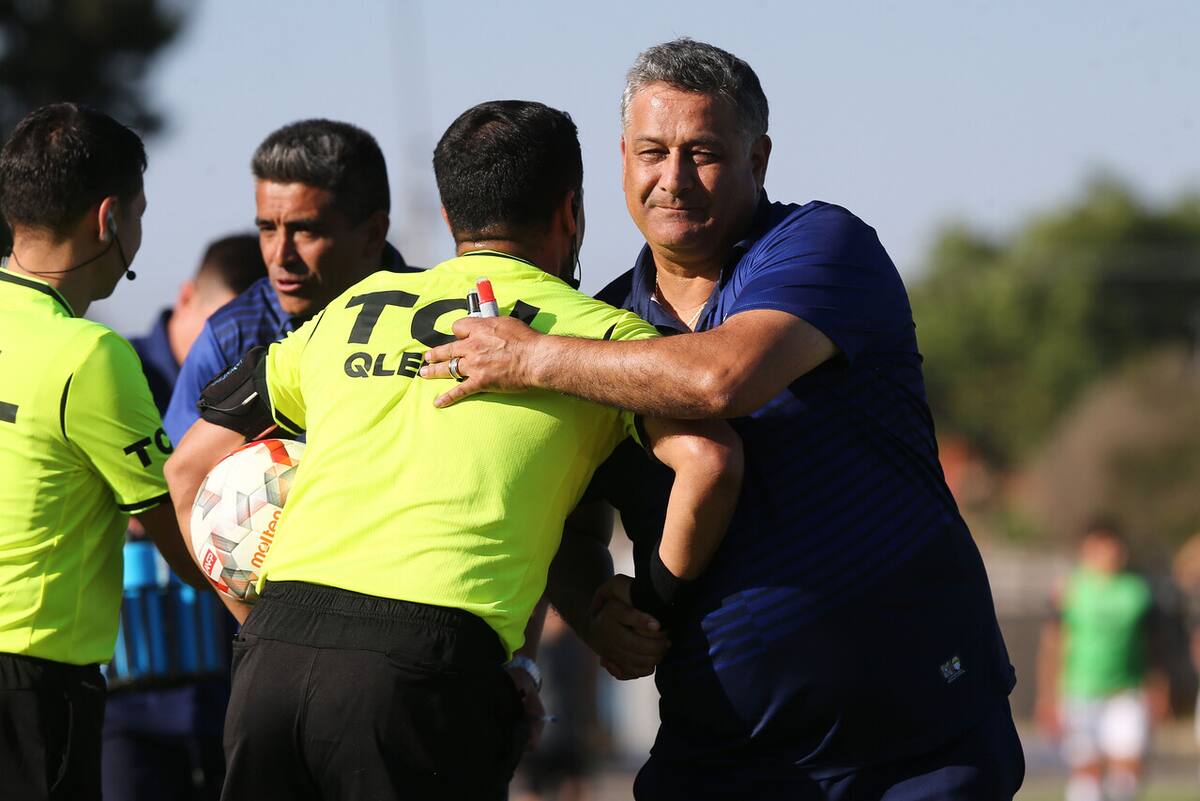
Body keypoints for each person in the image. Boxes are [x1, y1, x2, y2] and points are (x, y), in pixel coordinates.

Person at [420, 39, 1025, 800]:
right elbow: (564, 521)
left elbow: (719, 378)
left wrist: (534, 358)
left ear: (759, 157)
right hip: (719, 744)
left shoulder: (823, 246)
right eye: (651, 152)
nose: (672, 179)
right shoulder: (595, 325)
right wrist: (595, 609)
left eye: (702, 152)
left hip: (916, 738)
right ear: (621, 161)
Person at [164, 99, 743, 801]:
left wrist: (270, 629)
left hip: (272, 658)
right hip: (425, 667)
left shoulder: (354, 305)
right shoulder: (603, 340)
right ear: (571, 210)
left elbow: (187, 467)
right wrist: (649, 608)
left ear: (448, 219)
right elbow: (710, 461)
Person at [0, 102, 209, 800]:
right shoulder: (91, 355)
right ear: (110, 219)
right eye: (141, 215)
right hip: (35, 683)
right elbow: (181, 534)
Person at [103, 234, 266, 801]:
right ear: (187, 296)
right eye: (222, 327)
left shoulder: (257, 389)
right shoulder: (114, 374)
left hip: (229, 694)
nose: (229, 348)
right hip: (125, 694)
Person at [162, 118, 413, 446]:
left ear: (373, 234)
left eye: (306, 230)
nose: (280, 255)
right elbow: (179, 476)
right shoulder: (230, 336)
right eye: (267, 229)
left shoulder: (442, 319)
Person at [1036, 523, 1163, 801]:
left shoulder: (1136, 590)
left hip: (1125, 692)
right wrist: (1047, 697)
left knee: (1128, 770)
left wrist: (1157, 687)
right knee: (1086, 772)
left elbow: (1152, 643)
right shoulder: (1070, 588)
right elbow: (1053, 642)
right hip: (1080, 692)